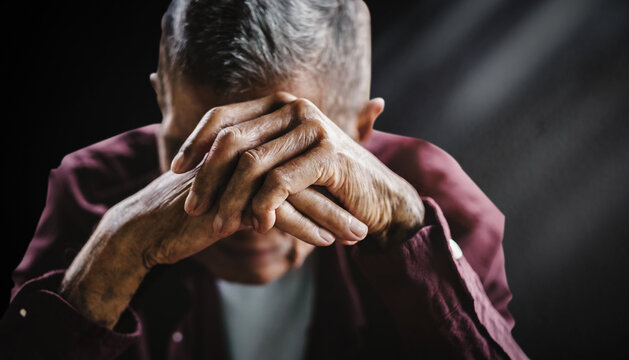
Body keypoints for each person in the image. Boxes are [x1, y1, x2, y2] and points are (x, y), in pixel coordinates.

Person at [1, 0, 528, 359]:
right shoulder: (91, 190)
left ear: (361, 131)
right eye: (207, 157)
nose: (248, 218)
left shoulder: (441, 205)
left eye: (294, 160)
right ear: (162, 105)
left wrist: (404, 229)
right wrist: (114, 254)